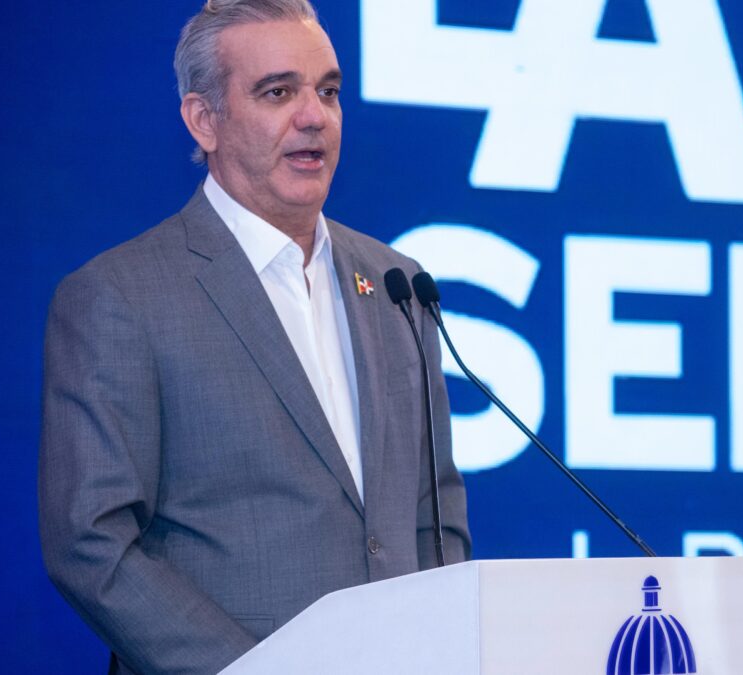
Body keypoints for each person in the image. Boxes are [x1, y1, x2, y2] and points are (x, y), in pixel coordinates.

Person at [38, 1, 470, 673]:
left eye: (328, 91)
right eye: (278, 92)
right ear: (203, 120)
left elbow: (435, 519)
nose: (314, 116)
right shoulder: (121, 295)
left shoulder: (398, 284)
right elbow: (91, 542)